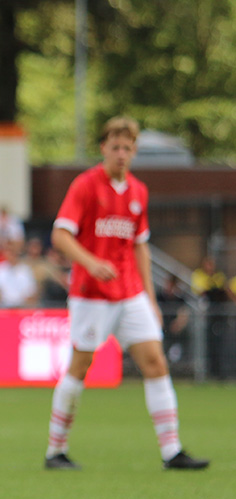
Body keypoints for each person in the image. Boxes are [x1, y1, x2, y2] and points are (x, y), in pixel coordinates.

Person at [43, 116, 209, 471]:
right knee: (80, 364)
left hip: (130, 292)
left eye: (128, 148)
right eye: (115, 147)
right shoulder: (86, 185)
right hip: (91, 294)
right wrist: (90, 263)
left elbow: (140, 248)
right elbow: (60, 235)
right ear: (103, 148)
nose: (121, 154)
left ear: (135, 152)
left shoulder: (138, 191)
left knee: (155, 362)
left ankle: (172, 451)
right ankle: (55, 451)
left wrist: (149, 297)